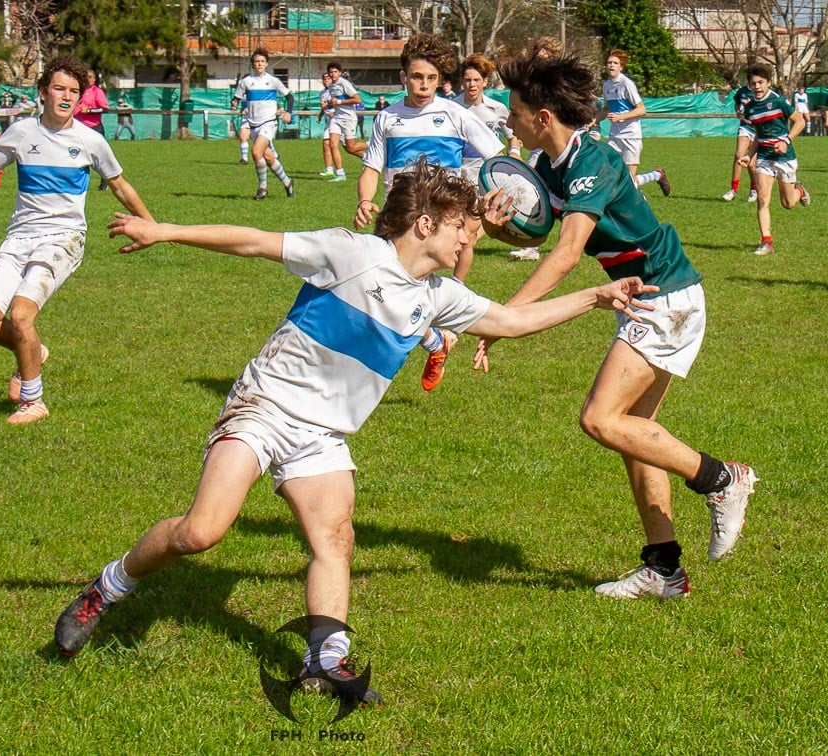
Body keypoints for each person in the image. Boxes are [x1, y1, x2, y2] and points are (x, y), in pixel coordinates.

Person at [52, 157, 657, 703]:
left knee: (334, 539)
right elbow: (256, 241)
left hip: (323, 435)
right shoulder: (352, 253)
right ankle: (108, 587)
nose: (468, 237)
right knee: (202, 532)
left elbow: (514, 320)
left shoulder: (439, 295)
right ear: (424, 225)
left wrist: (594, 298)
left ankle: (328, 661)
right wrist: (164, 230)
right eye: (458, 228)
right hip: (266, 406)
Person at [478, 52, 758, 600]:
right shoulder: (547, 167)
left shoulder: (593, 161)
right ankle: (664, 569)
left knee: (601, 420)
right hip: (642, 297)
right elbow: (537, 235)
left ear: (543, 118)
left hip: (664, 294)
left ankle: (722, 478)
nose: (507, 122)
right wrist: (497, 228)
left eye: (514, 113)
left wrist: (505, 319)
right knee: (635, 433)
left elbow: (564, 256)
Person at [0, 55, 154, 425]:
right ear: (43, 92)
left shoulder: (90, 140)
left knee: (21, 314)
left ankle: (33, 402)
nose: (67, 96)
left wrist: (153, 225)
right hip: (19, 238)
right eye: (59, 88)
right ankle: (33, 349)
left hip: (63, 238)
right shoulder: (20, 132)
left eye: (74, 91)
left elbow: (119, 184)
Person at [354, 33, 503, 390]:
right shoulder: (387, 118)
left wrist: (495, 195)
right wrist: (364, 201)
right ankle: (436, 342)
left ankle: (441, 331)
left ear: (441, 79)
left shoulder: (454, 114)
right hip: (398, 215)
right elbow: (372, 168)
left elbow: (497, 156)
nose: (424, 85)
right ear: (404, 76)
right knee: (382, 290)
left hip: (440, 220)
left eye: (432, 78)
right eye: (417, 77)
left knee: (400, 290)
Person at [740, 64, 810, 256]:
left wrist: (786, 141)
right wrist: (749, 155)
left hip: (784, 157)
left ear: (768, 83)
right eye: (753, 83)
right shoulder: (751, 107)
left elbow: (800, 121)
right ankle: (766, 242)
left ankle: (800, 191)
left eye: (761, 82)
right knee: (762, 200)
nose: (757, 87)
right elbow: (757, 135)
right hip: (764, 158)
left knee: (788, 204)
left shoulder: (779, 101)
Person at [510, 36, 565, 263]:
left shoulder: (560, 83)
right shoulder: (529, 84)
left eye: (546, 57)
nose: (541, 61)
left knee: (561, 197)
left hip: (558, 147)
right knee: (534, 191)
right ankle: (531, 245)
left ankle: (568, 243)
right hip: (538, 145)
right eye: (539, 57)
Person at [597, 50, 670, 196]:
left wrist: (620, 117)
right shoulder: (606, 85)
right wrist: (592, 121)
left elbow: (642, 110)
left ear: (621, 67)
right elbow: (606, 109)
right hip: (614, 137)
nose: (611, 65)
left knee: (629, 182)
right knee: (609, 171)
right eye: (609, 63)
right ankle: (656, 175)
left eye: (615, 63)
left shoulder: (627, 84)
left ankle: (656, 176)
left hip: (631, 136)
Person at [231, 48, 295, 200]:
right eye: (256, 61)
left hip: (269, 123)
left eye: (262, 61)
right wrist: (234, 103)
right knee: (269, 158)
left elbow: (289, 97)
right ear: (252, 64)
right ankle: (287, 182)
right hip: (253, 124)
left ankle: (263, 187)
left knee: (255, 152)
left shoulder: (273, 81)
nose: (259, 64)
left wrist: (288, 112)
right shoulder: (246, 82)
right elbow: (236, 98)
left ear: (266, 64)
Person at [325, 62, 368, 181]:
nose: (333, 74)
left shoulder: (344, 83)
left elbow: (357, 99)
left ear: (339, 73)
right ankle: (340, 174)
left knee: (351, 148)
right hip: (336, 118)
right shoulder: (331, 86)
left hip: (349, 118)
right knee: (332, 143)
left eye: (335, 72)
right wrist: (329, 105)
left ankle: (370, 146)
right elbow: (335, 101)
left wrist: (339, 102)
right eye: (331, 72)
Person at [722, 82, 758, 202]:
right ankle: (733, 190)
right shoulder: (742, 91)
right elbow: (737, 102)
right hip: (745, 127)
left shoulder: (763, 91)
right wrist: (738, 112)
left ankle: (754, 189)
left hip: (758, 130)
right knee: (739, 155)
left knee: (752, 164)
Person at [76, 69, 110, 189]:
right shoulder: (77, 91)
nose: (88, 79)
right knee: (76, 155)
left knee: (99, 156)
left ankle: (105, 180)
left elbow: (105, 109)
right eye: (85, 76)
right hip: (77, 127)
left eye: (90, 77)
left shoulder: (97, 91)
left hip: (94, 127)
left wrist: (89, 111)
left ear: (94, 79)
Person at [317, 72, 336, 176]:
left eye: (328, 79)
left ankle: (365, 156)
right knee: (326, 144)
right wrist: (320, 115)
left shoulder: (336, 91)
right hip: (329, 122)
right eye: (324, 79)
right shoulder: (322, 93)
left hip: (338, 121)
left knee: (350, 148)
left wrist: (335, 113)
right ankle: (329, 169)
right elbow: (324, 106)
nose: (326, 81)